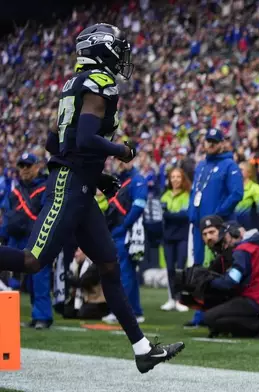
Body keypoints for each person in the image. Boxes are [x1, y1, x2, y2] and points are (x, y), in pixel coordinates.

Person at [0, 23, 184, 373]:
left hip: (80, 187)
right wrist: (121, 150)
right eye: (117, 47)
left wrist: (97, 176)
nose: (121, 54)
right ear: (102, 49)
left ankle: (143, 349)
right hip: (68, 186)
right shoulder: (99, 83)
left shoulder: (74, 85)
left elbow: (56, 143)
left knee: (110, 267)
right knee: (31, 261)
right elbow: (83, 140)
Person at [186, 128, 243, 327]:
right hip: (199, 226)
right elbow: (195, 192)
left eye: (213, 141)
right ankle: (199, 314)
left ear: (221, 144)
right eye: (207, 141)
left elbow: (237, 193)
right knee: (199, 268)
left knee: (219, 269)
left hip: (219, 227)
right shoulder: (201, 166)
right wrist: (192, 214)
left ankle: (218, 312)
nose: (209, 145)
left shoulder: (229, 165)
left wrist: (217, 216)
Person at [0, 153, 52, 329]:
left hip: (36, 239)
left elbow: (48, 214)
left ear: (37, 167)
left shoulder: (46, 188)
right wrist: (2, 235)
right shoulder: (15, 191)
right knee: (21, 281)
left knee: (39, 277)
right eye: (21, 166)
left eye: (28, 166)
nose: (24, 170)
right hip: (16, 240)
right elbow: (7, 214)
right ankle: (30, 315)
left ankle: (43, 317)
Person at [102, 158, 148, 324]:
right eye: (117, 159)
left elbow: (139, 205)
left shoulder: (137, 180)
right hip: (117, 230)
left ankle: (122, 312)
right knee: (127, 272)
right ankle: (134, 310)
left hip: (128, 233)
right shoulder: (118, 179)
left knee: (124, 272)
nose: (120, 162)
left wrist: (125, 225)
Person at [160, 167, 191, 312]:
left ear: (183, 179)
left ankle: (180, 299)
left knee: (180, 268)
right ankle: (172, 298)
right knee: (170, 269)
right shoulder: (165, 195)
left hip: (182, 237)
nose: (175, 179)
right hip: (168, 238)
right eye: (173, 177)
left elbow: (185, 216)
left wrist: (169, 215)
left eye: (178, 177)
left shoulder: (186, 195)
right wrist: (174, 215)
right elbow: (163, 215)